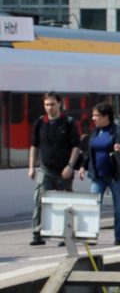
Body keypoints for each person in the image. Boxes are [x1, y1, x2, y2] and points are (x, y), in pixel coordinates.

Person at [78, 102, 120, 246]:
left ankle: (119, 237)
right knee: (93, 205)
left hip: (115, 175)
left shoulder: (119, 130)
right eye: (93, 116)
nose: (93, 119)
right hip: (97, 175)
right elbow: (89, 152)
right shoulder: (95, 132)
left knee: (118, 206)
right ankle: (92, 235)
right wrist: (82, 166)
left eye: (97, 116)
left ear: (106, 116)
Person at [28, 92, 81, 246]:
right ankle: (37, 234)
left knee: (65, 202)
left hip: (64, 169)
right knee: (40, 199)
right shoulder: (40, 123)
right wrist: (31, 167)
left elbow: (76, 146)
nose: (49, 107)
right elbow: (34, 146)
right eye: (46, 104)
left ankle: (65, 234)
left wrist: (70, 166)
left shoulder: (69, 122)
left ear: (59, 104)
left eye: (52, 104)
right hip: (46, 168)